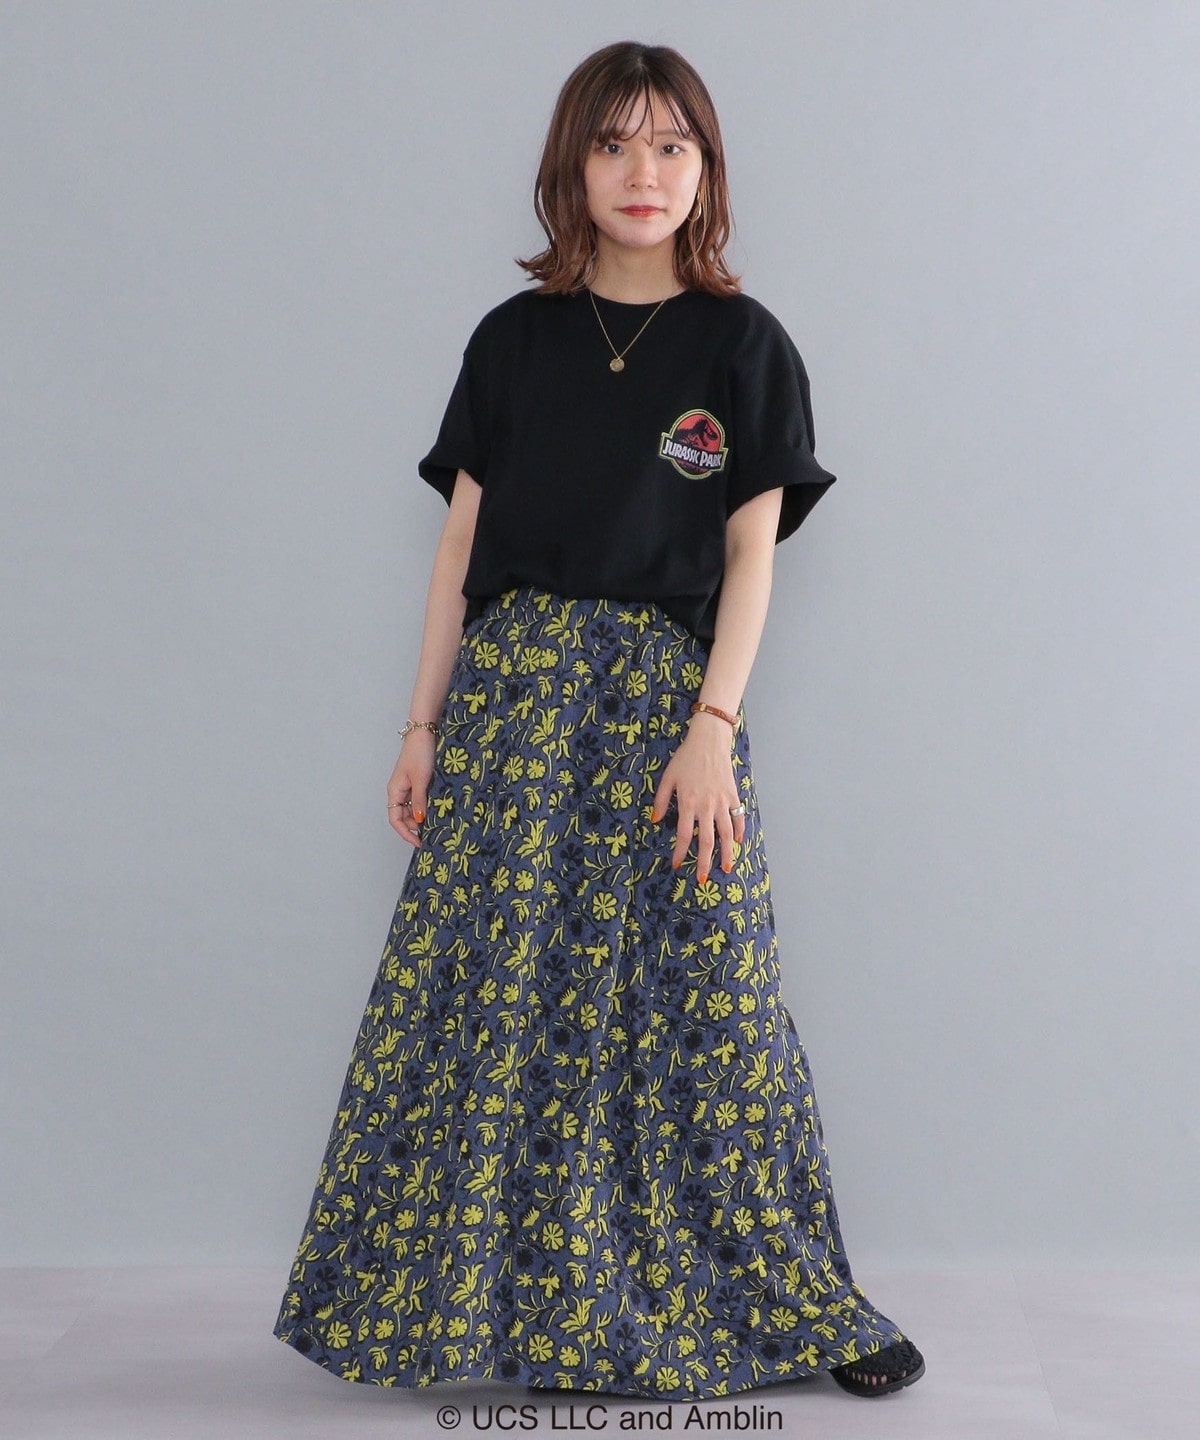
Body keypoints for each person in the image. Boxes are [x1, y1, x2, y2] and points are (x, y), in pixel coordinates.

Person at [272, 40, 926, 1403]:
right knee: (507, 1007)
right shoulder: (511, 342)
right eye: (615, 143)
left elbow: (749, 559)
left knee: (714, 1002)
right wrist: (419, 728)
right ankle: (532, 1317)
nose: (645, 172)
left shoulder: (744, 345)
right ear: (571, 167)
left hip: (666, 708)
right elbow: (459, 554)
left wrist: (714, 724)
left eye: (672, 146)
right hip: (514, 707)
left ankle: (804, 1303)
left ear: (707, 170)